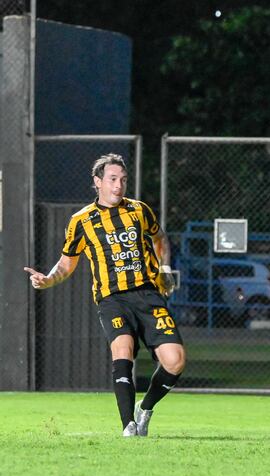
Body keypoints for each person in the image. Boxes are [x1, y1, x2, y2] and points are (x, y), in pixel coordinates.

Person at [24, 154, 185, 437]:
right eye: (112, 179)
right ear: (98, 182)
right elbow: (66, 263)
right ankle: (128, 426)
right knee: (122, 351)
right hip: (113, 299)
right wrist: (48, 280)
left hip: (148, 295)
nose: (119, 185)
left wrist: (166, 268)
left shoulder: (139, 210)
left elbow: (160, 239)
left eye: (123, 180)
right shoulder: (81, 220)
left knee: (175, 360)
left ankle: (144, 409)